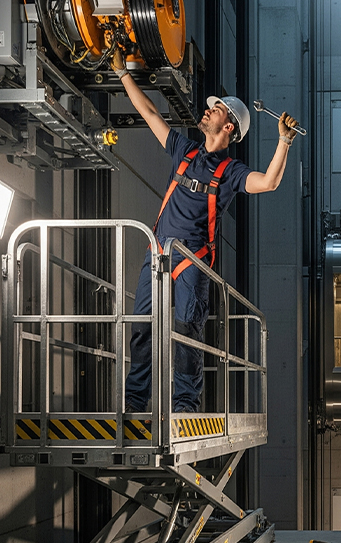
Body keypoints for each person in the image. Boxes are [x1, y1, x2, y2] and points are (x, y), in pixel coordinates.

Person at [111, 50, 299, 413]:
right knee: (142, 328)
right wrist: (122, 75)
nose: (209, 110)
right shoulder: (184, 150)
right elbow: (149, 113)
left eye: (217, 109)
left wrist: (284, 141)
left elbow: (269, 182)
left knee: (187, 334)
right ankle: (135, 401)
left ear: (229, 127)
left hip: (191, 262)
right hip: (157, 253)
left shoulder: (231, 172)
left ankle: (185, 405)